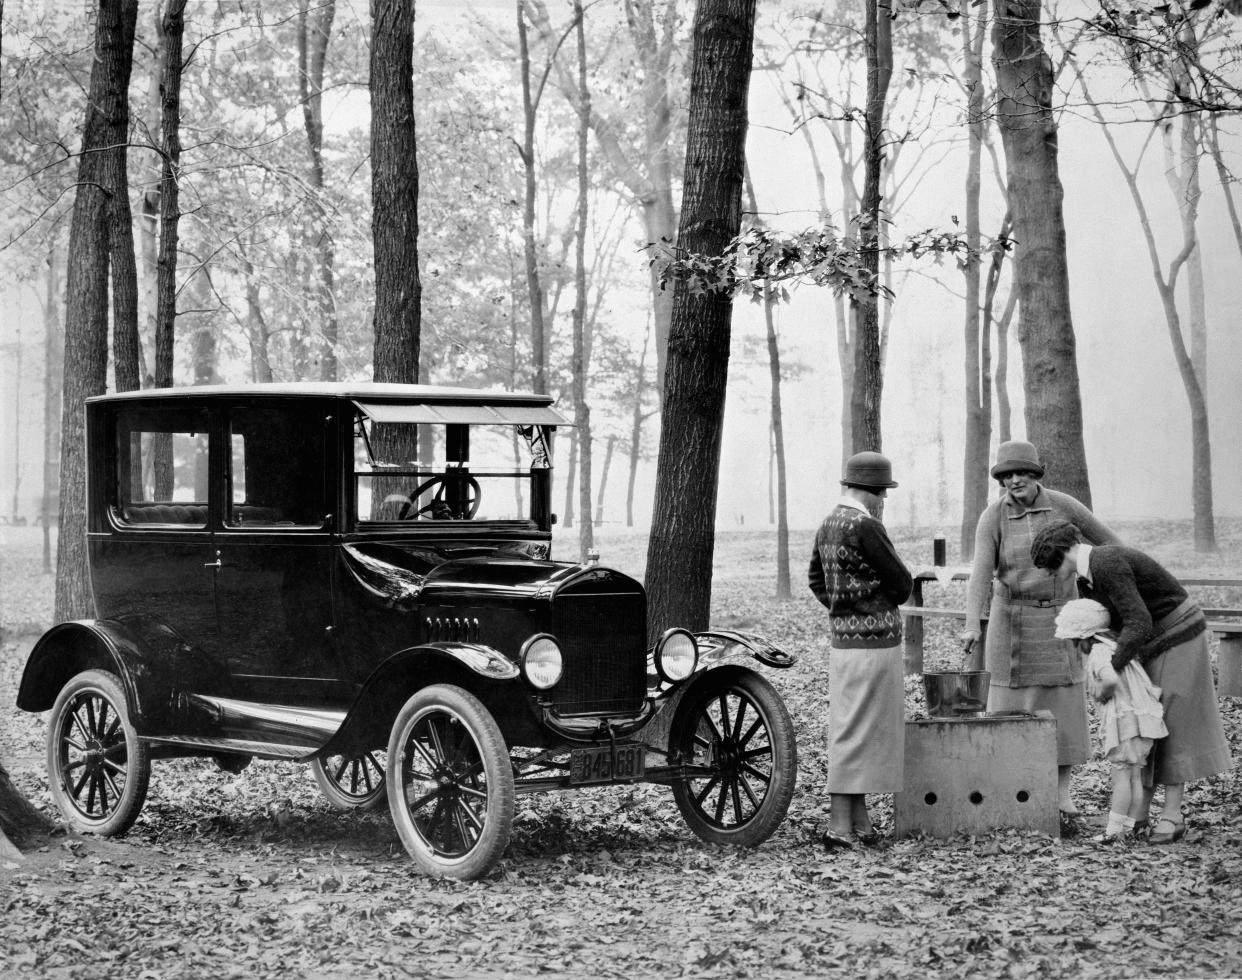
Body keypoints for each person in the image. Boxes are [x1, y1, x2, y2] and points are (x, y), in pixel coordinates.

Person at [1031, 521, 1232, 844]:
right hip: (1147, 640)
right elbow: (1111, 623)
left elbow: (1139, 621)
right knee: (1142, 718)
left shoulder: (1106, 563)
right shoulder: (1086, 578)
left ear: (1059, 556)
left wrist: (1112, 668)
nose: (1050, 576)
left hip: (1179, 631)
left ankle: (1172, 815)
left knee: (1169, 718)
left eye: (1049, 568)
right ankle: (1138, 813)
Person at [959, 440, 1120, 829]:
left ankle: (1062, 796)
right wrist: (970, 625)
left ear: (1035, 475)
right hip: (1009, 621)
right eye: (1007, 475)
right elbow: (981, 573)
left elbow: (1111, 545)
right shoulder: (992, 517)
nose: (1014, 481)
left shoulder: (1064, 506)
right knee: (1011, 708)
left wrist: (1098, 592)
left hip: (1061, 623)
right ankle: (1015, 793)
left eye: (1022, 474)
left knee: (1061, 708)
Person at [808, 451, 913, 849]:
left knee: (855, 727)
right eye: (883, 493)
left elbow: (815, 579)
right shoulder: (866, 526)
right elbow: (901, 584)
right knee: (858, 732)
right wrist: (868, 607)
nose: (883, 500)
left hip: (844, 643)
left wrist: (842, 609)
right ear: (873, 492)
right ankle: (838, 827)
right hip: (876, 643)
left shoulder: (829, 522)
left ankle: (861, 823)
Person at [1054, 598, 1168, 840]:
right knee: (1135, 777)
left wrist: (1101, 690)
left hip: (1124, 723)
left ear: (1085, 638)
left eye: (1075, 642)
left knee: (1122, 779)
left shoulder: (1098, 652)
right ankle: (1129, 828)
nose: (1076, 648)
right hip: (1144, 721)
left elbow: (1111, 680)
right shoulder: (1117, 645)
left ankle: (1114, 832)